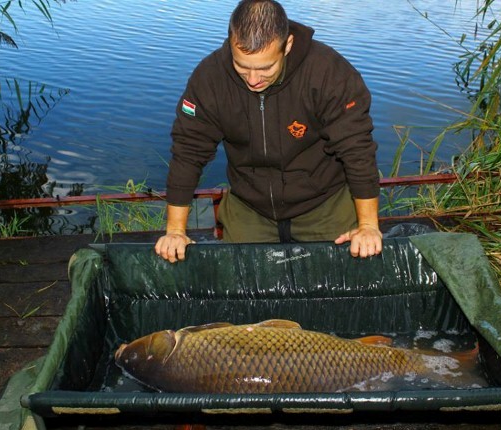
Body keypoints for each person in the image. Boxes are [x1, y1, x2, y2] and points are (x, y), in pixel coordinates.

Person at [155, 0, 382, 263]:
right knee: (242, 288)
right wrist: (175, 231)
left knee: (339, 278)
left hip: (323, 201)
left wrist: (368, 226)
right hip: (249, 204)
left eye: (265, 68)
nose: (253, 80)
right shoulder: (210, 78)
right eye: (242, 67)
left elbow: (357, 149)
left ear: (287, 46)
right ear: (231, 44)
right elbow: (188, 151)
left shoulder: (327, 72)